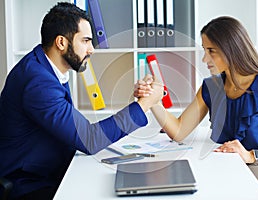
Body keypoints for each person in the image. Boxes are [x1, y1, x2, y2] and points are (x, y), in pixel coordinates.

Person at [0, 2, 163, 200]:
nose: (92, 49)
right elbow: (89, 139)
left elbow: (77, 130)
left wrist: (139, 103)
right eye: (85, 41)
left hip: (49, 170)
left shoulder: (46, 66)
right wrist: (144, 105)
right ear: (61, 43)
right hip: (30, 185)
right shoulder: (38, 81)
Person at [135, 16, 258, 200]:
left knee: (253, 196)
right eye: (205, 50)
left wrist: (252, 155)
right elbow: (179, 131)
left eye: (211, 51)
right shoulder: (211, 87)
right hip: (241, 172)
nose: (205, 59)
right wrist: (153, 101)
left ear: (232, 49)